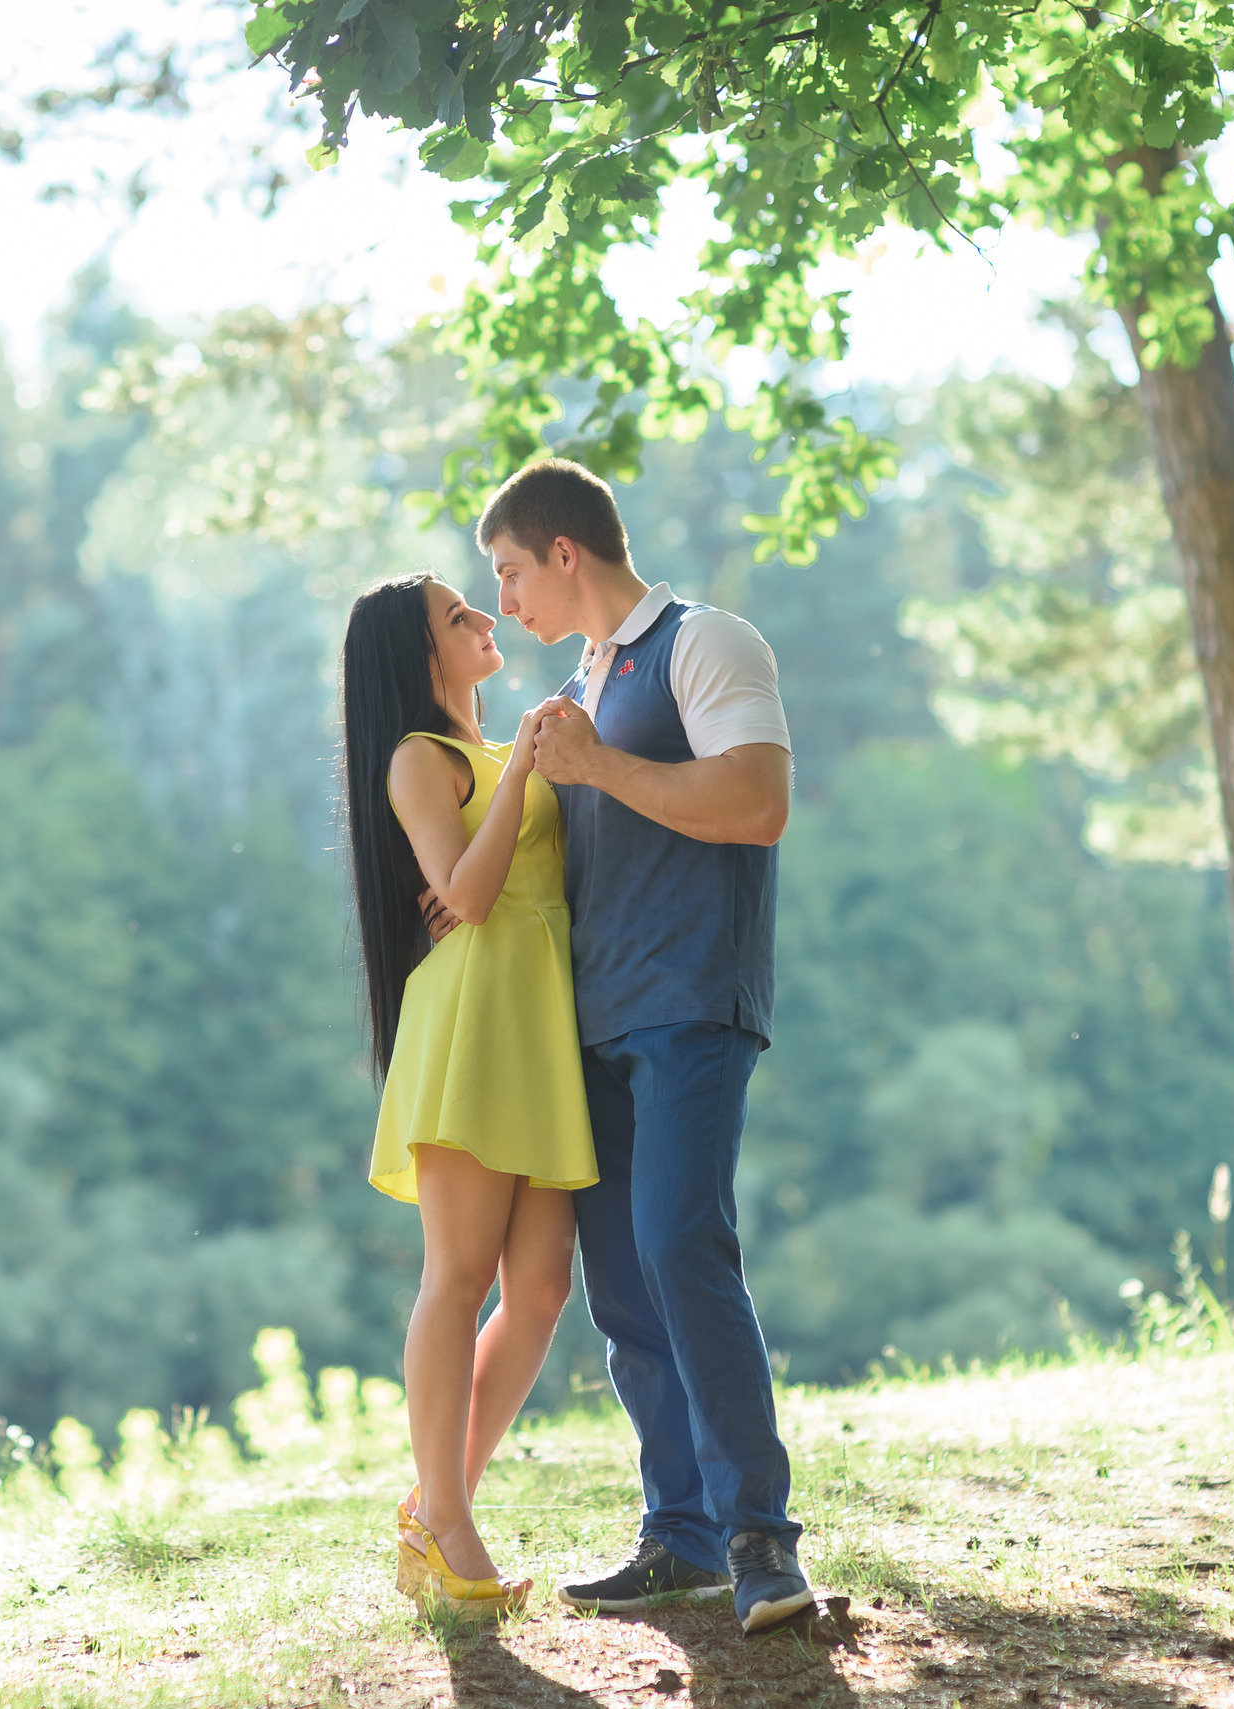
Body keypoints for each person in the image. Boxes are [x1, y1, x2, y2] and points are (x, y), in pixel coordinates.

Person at [484, 458, 817, 1634]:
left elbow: (757, 804)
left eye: (512, 571)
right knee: (621, 1284)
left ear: (564, 551)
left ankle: (761, 1542)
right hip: (590, 1021)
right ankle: (678, 1535)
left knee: (681, 1241)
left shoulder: (704, 641)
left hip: (689, 999)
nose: (506, 600)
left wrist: (598, 766)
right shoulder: (585, 675)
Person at [340, 572, 598, 1620]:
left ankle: (431, 1501)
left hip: (535, 1025)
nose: (485, 620)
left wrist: (533, 761)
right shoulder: (419, 757)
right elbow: (469, 894)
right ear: (422, 654)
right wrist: (523, 770)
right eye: (460, 616)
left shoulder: (500, 753)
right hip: (468, 1025)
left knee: (538, 1289)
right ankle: (448, 1518)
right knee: (455, 1275)